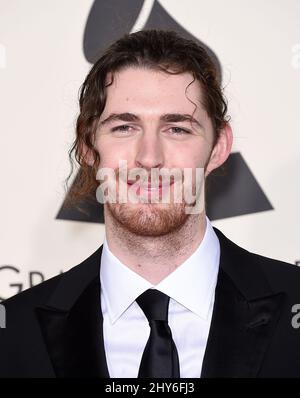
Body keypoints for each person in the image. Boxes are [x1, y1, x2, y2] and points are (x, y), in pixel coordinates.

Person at [1, 29, 300, 378]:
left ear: (218, 146)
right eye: (124, 128)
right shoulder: (14, 334)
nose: (149, 158)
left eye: (177, 129)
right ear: (87, 146)